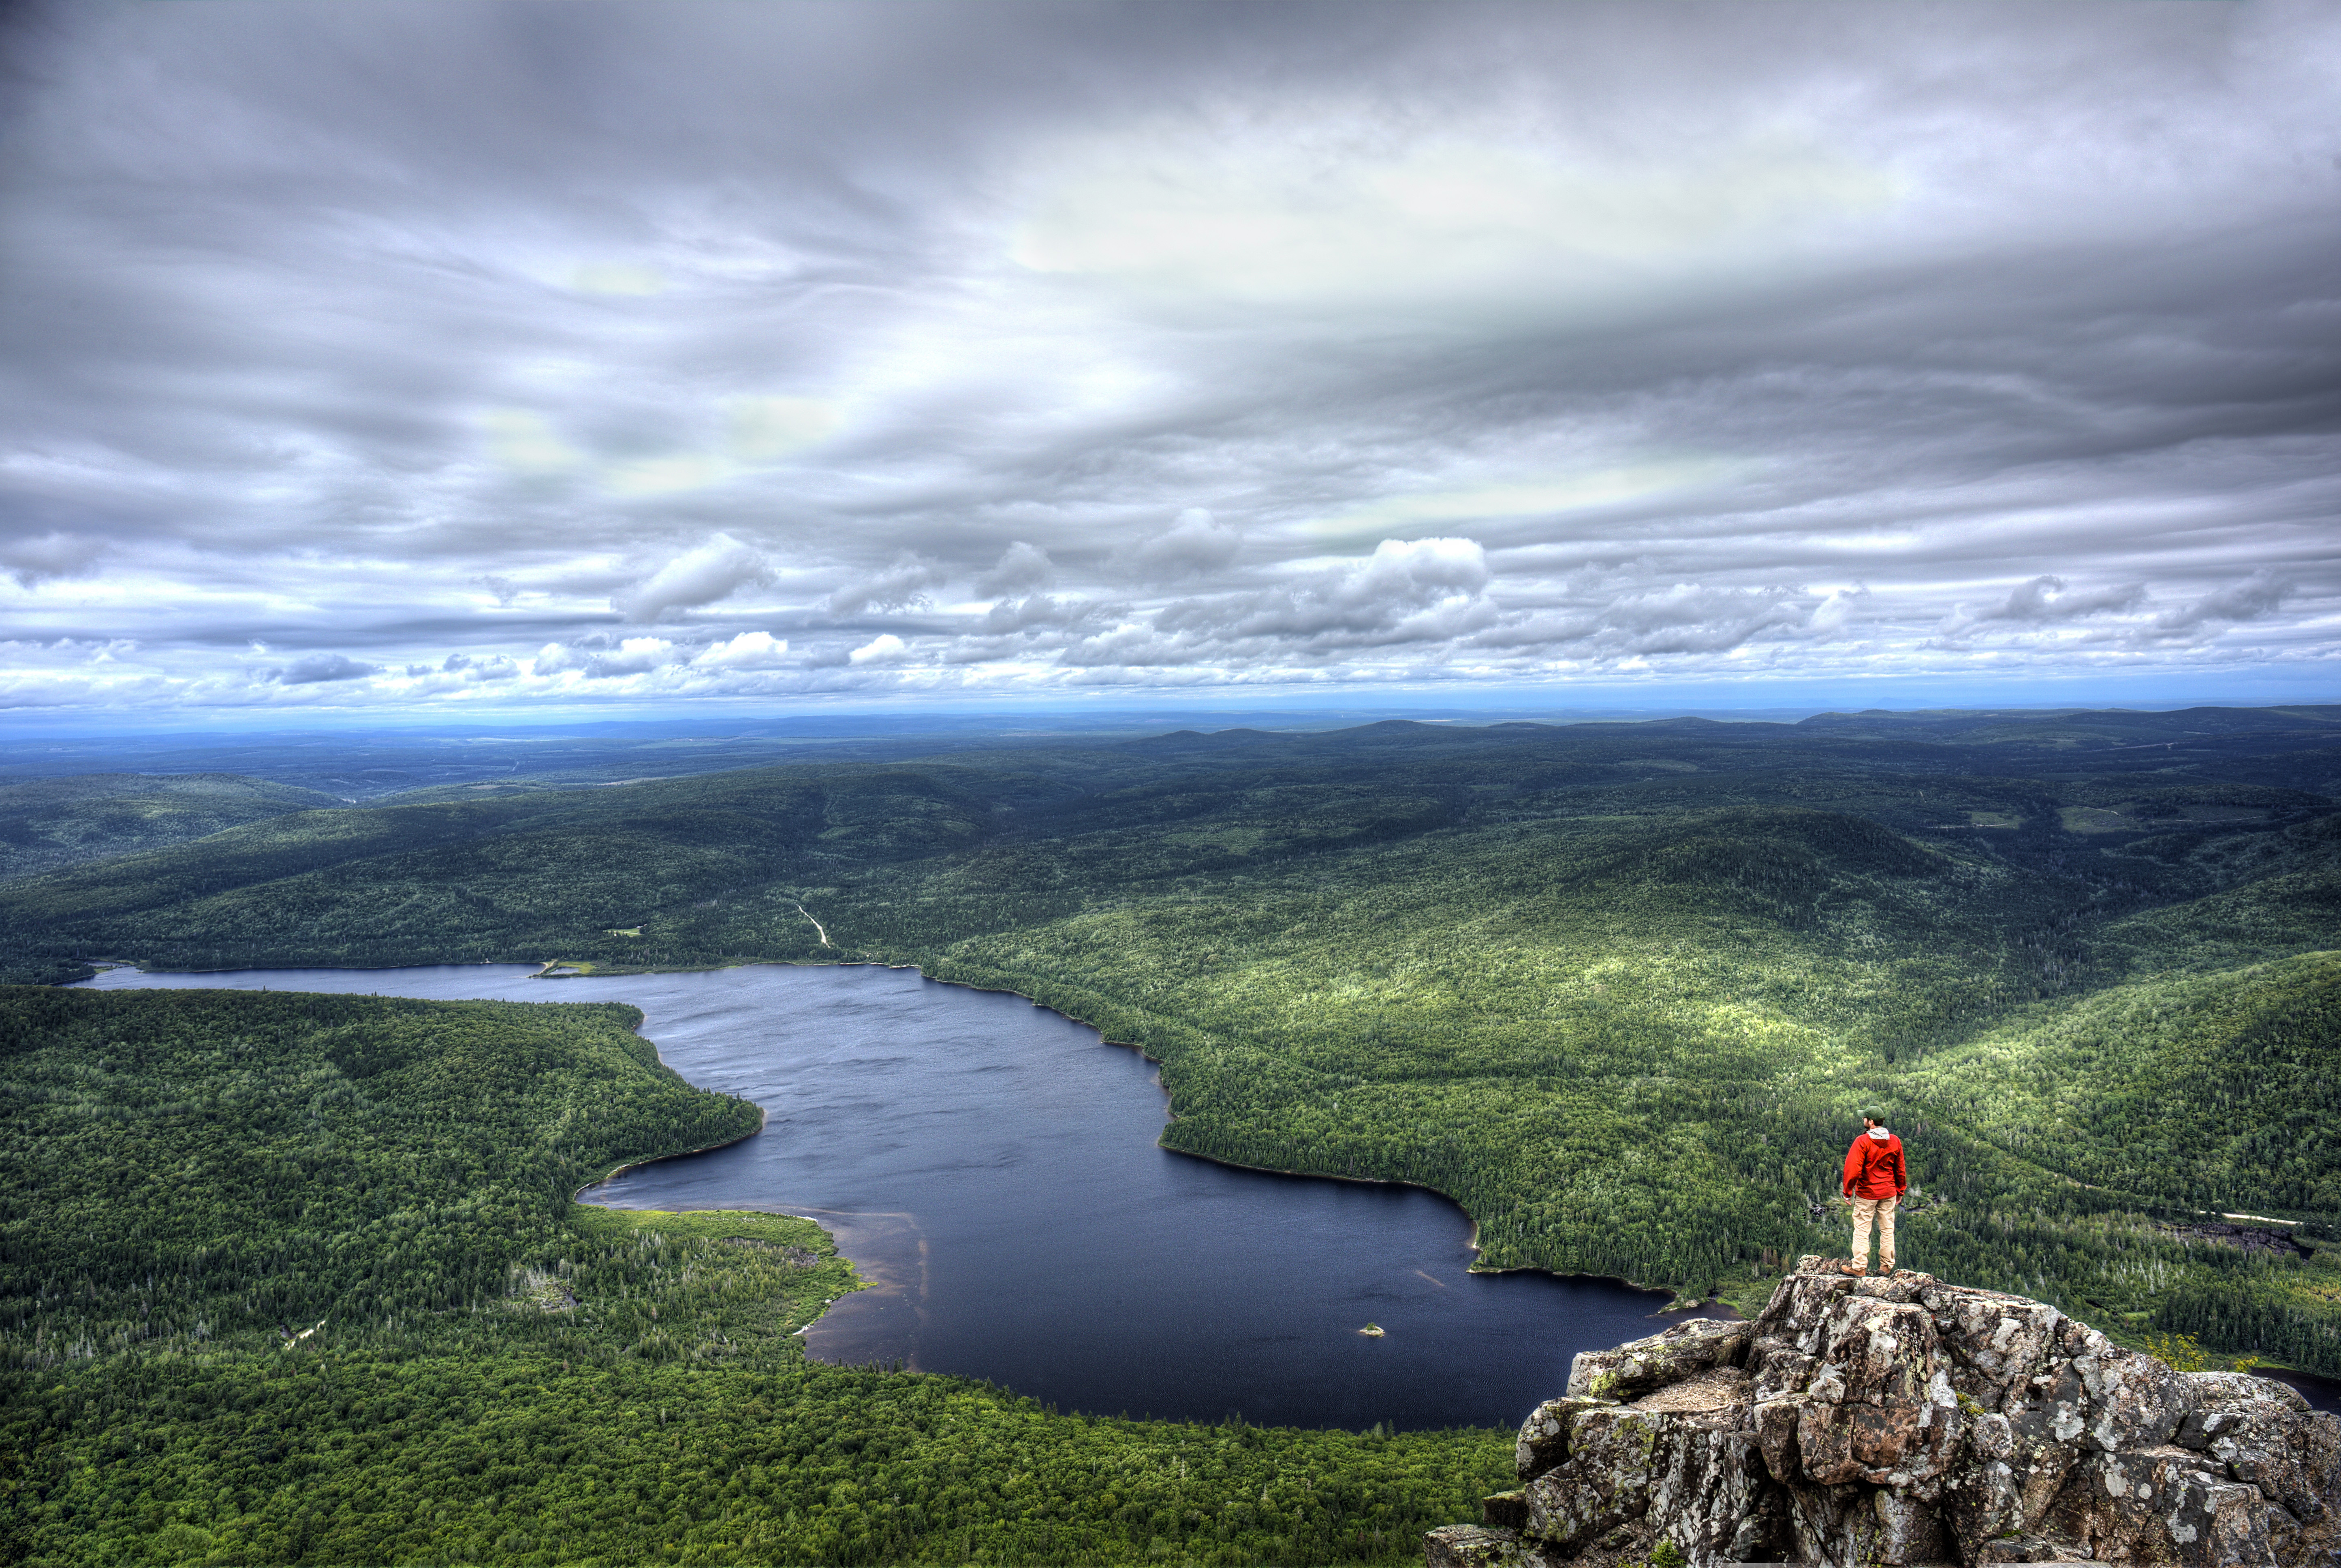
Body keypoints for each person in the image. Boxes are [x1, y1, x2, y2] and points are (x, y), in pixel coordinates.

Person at [1841, 1108, 1907, 1277]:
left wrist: (1848, 1191)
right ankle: (1886, 1267)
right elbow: (1900, 1169)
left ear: (1871, 1122)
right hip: (1889, 1192)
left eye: (1865, 1118)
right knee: (1887, 1229)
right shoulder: (1895, 1141)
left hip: (1867, 1193)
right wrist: (1900, 1190)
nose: (1863, 1119)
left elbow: (1853, 1169)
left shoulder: (1862, 1142)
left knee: (1862, 1229)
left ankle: (1859, 1267)